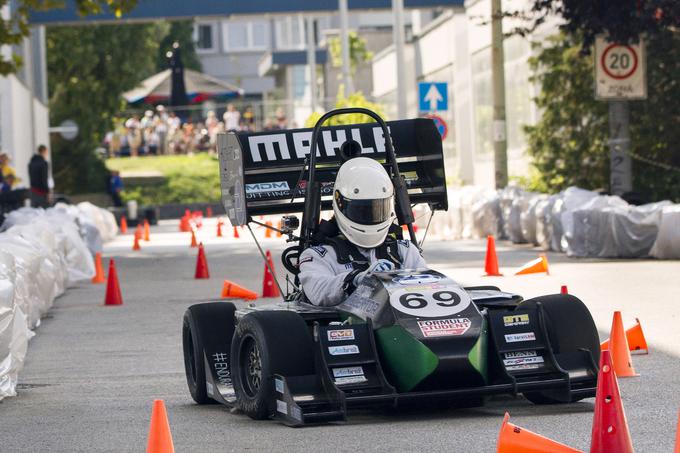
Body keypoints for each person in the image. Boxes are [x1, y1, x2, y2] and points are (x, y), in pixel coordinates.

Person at [298, 157, 426, 307]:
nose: (370, 216)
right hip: (347, 327)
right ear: (340, 204)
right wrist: (355, 280)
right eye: (361, 210)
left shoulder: (404, 251)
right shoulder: (318, 255)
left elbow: (428, 286)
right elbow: (319, 292)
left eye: (378, 209)